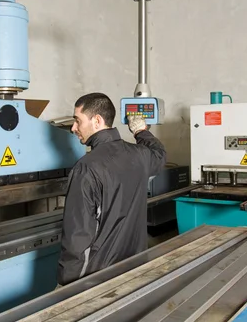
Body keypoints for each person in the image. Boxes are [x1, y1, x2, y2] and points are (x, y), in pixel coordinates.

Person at [57, 92, 166, 286]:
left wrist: (68, 282)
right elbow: (159, 155)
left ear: (97, 121)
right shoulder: (140, 155)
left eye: (77, 121)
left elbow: (78, 237)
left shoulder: (86, 168)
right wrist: (141, 132)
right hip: (135, 267)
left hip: (100, 276)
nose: (73, 128)